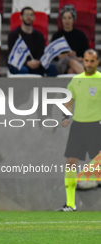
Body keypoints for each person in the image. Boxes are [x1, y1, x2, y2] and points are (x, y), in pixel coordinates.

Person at [57, 49, 101, 212]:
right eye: (86, 61)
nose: (89, 64)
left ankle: (91, 179)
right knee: (70, 163)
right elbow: (67, 103)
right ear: (83, 61)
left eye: (92, 61)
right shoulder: (75, 81)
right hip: (78, 126)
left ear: (97, 62)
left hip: (96, 125)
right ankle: (70, 204)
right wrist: (65, 117)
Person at [8, 6, 56, 76]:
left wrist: (38, 62)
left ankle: (52, 86)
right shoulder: (14, 35)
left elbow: (42, 54)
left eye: (31, 15)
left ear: (34, 18)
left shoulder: (39, 35)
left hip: (36, 63)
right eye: (26, 15)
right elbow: (13, 56)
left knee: (52, 67)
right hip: (18, 63)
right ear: (21, 17)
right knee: (24, 70)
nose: (28, 17)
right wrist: (27, 63)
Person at [51, 4, 89, 75]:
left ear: (73, 19)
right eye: (64, 18)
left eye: (69, 18)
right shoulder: (57, 36)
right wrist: (67, 55)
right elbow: (53, 57)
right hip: (60, 64)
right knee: (70, 61)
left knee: (71, 71)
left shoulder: (80, 35)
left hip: (77, 62)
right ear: (61, 19)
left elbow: (85, 54)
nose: (67, 21)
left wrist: (78, 58)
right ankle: (89, 81)